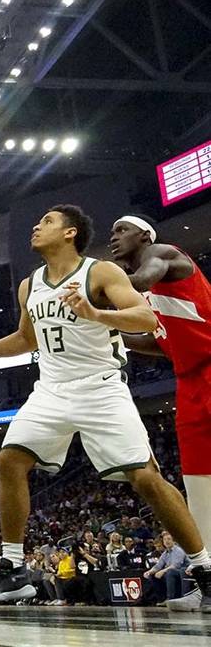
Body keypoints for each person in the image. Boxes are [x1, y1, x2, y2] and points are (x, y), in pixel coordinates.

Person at [0, 205, 211, 603]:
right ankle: (14, 568)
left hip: (101, 387)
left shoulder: (100, 272)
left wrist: (95, 313)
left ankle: (204, 566)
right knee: (9, 459)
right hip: (51, 388)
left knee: (146, 479)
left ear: (70, 233)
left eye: (47, 221)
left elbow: (145, 318)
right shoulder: (29, 285)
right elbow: (24, 341)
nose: (36, 225)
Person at [109, 215, 211, 611]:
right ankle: (208, 579)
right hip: (188, 382)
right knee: (199, 486)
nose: (114, 238)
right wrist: (105, 326)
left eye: (121, 231)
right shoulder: (145, 301)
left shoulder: (162, 253)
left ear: (143, 235)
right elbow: (156, 342)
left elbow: (142, 279)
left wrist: (98, 293)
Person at [144, 531, 189, 602]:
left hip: (184, 572)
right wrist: (149, 572)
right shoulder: (165, 553)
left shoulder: (178, 550)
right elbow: (158, 565)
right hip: (172, 572)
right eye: (165, 540)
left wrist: (162, 571)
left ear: (173, 541)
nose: (166, 541)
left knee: (170, 572)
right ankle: (161, 599)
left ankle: (170, 599)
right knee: (153, 576)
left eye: (169, 539)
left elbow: (176, 565)